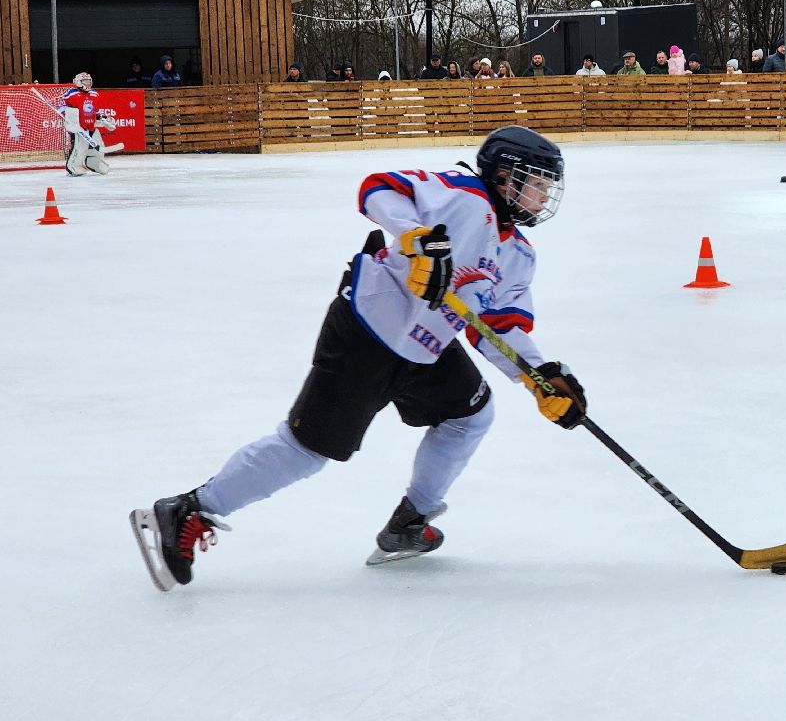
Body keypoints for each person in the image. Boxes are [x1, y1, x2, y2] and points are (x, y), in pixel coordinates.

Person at [127, 127, 587, 592]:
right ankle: (189, 508)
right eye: (539, 183)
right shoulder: (462, 194)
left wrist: (540, 376)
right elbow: (377, 188)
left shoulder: (519, 255)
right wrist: (415, 238)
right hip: (367, 326)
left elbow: (497, 327)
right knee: (306, 450)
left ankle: (410, 522)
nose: (545, 196)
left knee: (470, 414)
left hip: (426, 348)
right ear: (506, 177)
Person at [61, 71, 116, 176]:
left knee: (99, 147)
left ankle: (94, 163)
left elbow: (95, 111)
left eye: (88, 81)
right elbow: (63, 107)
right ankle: (74, 166)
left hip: (91, 126)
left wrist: (102, 119)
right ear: (78, 82)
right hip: (79, 128)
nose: (87, 84)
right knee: (80, 149)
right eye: (84, 81)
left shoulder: (94, 94)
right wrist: (69, 118)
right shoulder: (71, 94)